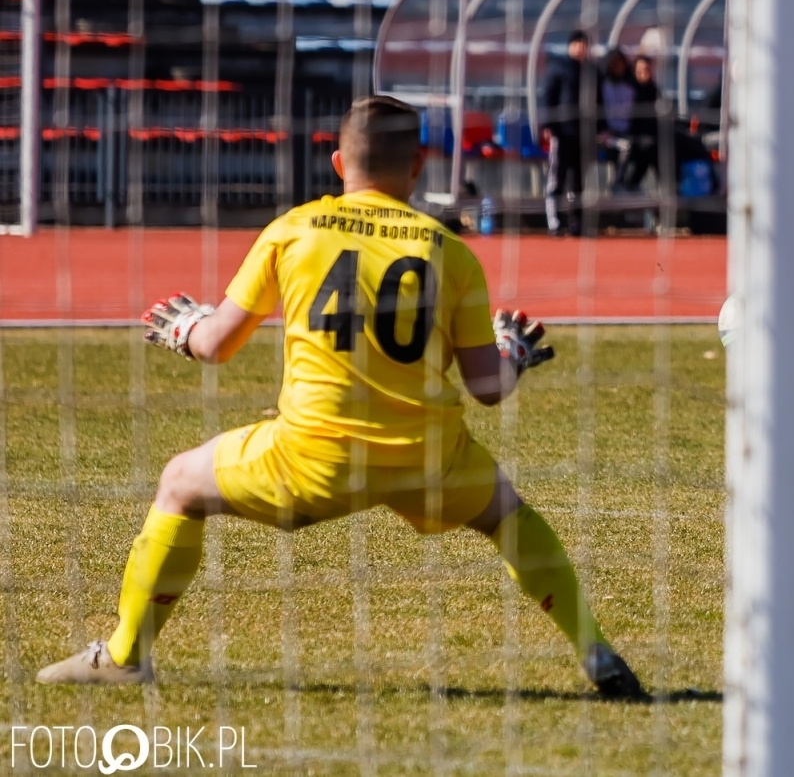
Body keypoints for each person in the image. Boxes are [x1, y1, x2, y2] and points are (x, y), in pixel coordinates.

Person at [36, 96, 643, 697]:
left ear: (337, 162)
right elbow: (487, 388)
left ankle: (125, 656)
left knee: (178, 484)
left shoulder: (293, 230)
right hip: (428, 457)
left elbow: (216, 345)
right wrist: (511, 351)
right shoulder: (450, 252)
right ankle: (594, 649)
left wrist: (186, 328)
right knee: (509, 515)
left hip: (313, 458)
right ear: (418, 165)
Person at [541, 30, 592, 235]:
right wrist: (548, 125)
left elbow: (599, 102)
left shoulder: (591, 72)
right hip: (561, 132)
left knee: (579, 180)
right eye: (577, 44)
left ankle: (577, 222)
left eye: (583, 44)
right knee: (557, 178)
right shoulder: (558, 68)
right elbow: (548, 96)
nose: (580, 48)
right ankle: (554, 221)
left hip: (583, 134)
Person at [621, 54, 666, 192]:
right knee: (649, 147)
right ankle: (631, 183)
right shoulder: (629, 89)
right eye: (641, 70)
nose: (644, 73)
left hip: (651, 133)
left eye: (647, 69)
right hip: (631, 132)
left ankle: (667, 185)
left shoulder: (654, 90)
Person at [598, 47, 637, 177]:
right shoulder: (601, 87)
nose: (617, 68)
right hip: (605, 134)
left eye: (620, 64)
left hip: (624, 132)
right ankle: (618, 181)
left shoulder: (629, 89)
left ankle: (628, 182)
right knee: (625, 146)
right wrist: (602, 130)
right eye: (614, 64)